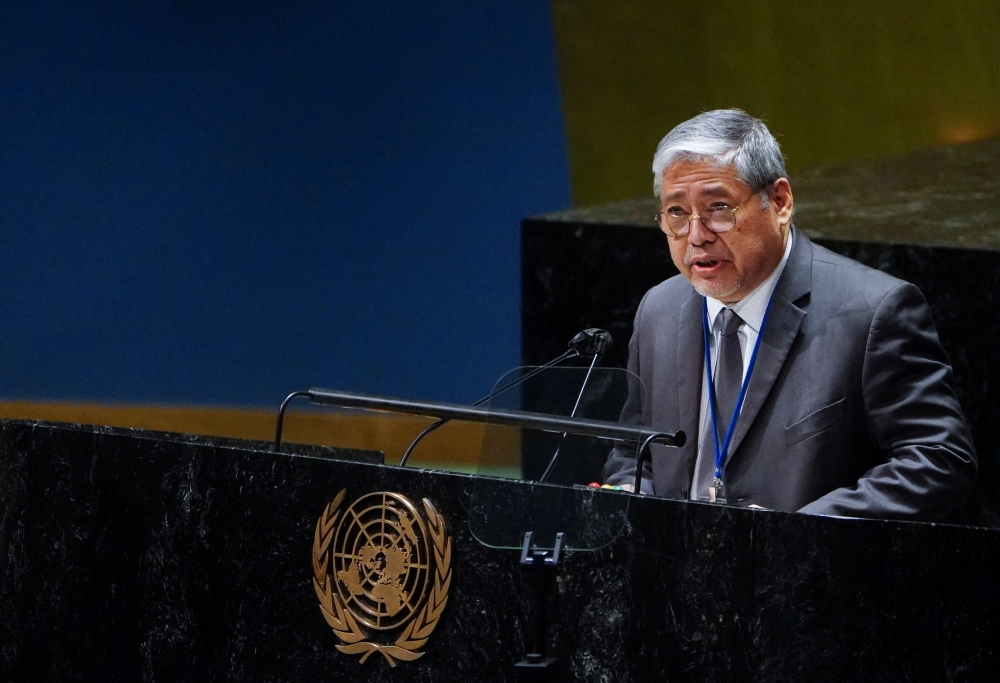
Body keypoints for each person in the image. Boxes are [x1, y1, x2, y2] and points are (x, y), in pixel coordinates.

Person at [602, 109, 976, 519]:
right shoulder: (659, 308)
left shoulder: (872, 311)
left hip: (810, 576)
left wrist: (799, 534)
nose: (697, 234)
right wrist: (624, 491)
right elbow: (633, 449)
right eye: (676, 213)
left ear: (779, 202)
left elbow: (938, 459)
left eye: (719, 207)